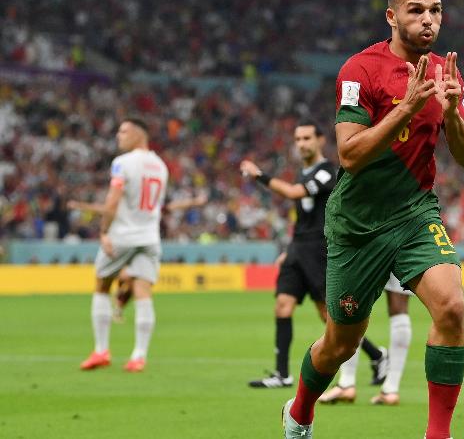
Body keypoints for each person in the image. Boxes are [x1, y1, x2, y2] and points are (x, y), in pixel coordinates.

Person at [282, 0, 464, 439]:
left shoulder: (443, 71)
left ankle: (438, 434)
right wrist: (406, 110)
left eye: (435, 10)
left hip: (415, 214)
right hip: (358, 225)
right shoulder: (360, 70)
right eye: (416, 11)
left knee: (451, 308)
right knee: (341, 344)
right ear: (392, 16)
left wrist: (452, 114)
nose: (428, 20)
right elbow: (348, 155)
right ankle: (300, 410)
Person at [241, 122, 388, 389]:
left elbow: (294, 193)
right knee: (282, 306)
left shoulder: (327, 172)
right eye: (297, 138)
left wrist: (259, 175)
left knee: (330, 317)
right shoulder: (304, 172)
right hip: (298, 249)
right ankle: (282, 373)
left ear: (320, 140)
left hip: (319, 250)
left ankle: (377, 355)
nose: (301, 143)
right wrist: (289, 250)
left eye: (307, 138)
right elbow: (302, 217)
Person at [79, 118, 169, 373]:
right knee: (142, 292)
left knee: (102, 284)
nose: (119, 135)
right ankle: (139, 356)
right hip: (150, 235)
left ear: (139, 134)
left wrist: (104, 231)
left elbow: (112, 201)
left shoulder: (123, 163)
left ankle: (101, 350)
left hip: (123, 234)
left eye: (124, 131)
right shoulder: (161, 166)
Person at [67, 193, 208, 322]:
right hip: (120, 249)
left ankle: (118, 307)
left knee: (133, 284)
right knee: (119, 281)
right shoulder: (124, 209)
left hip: (138, 250)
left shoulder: (149, 210)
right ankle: (114, 306)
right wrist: (80, 206)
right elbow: (101, 209)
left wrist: (195, 201)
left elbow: (173, 206)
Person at [317, 275, 413, 405]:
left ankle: (346, 383)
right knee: (399, 308)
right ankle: (391, 389)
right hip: (401, 253)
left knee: (351, 300)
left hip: (367, 254)